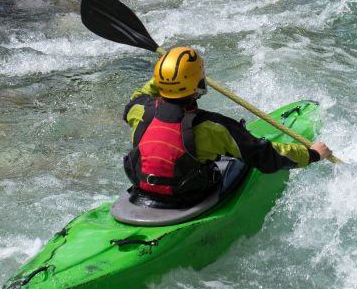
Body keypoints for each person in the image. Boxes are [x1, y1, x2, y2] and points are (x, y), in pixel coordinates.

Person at [123, 45, 333, 207]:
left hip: (142, 192)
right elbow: (266, 156)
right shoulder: (213, 127)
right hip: (187, 198)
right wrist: (312, 154)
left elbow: (140, 96)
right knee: (240, 157)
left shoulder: (139, 110)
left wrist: (168, 74)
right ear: (198, 83)